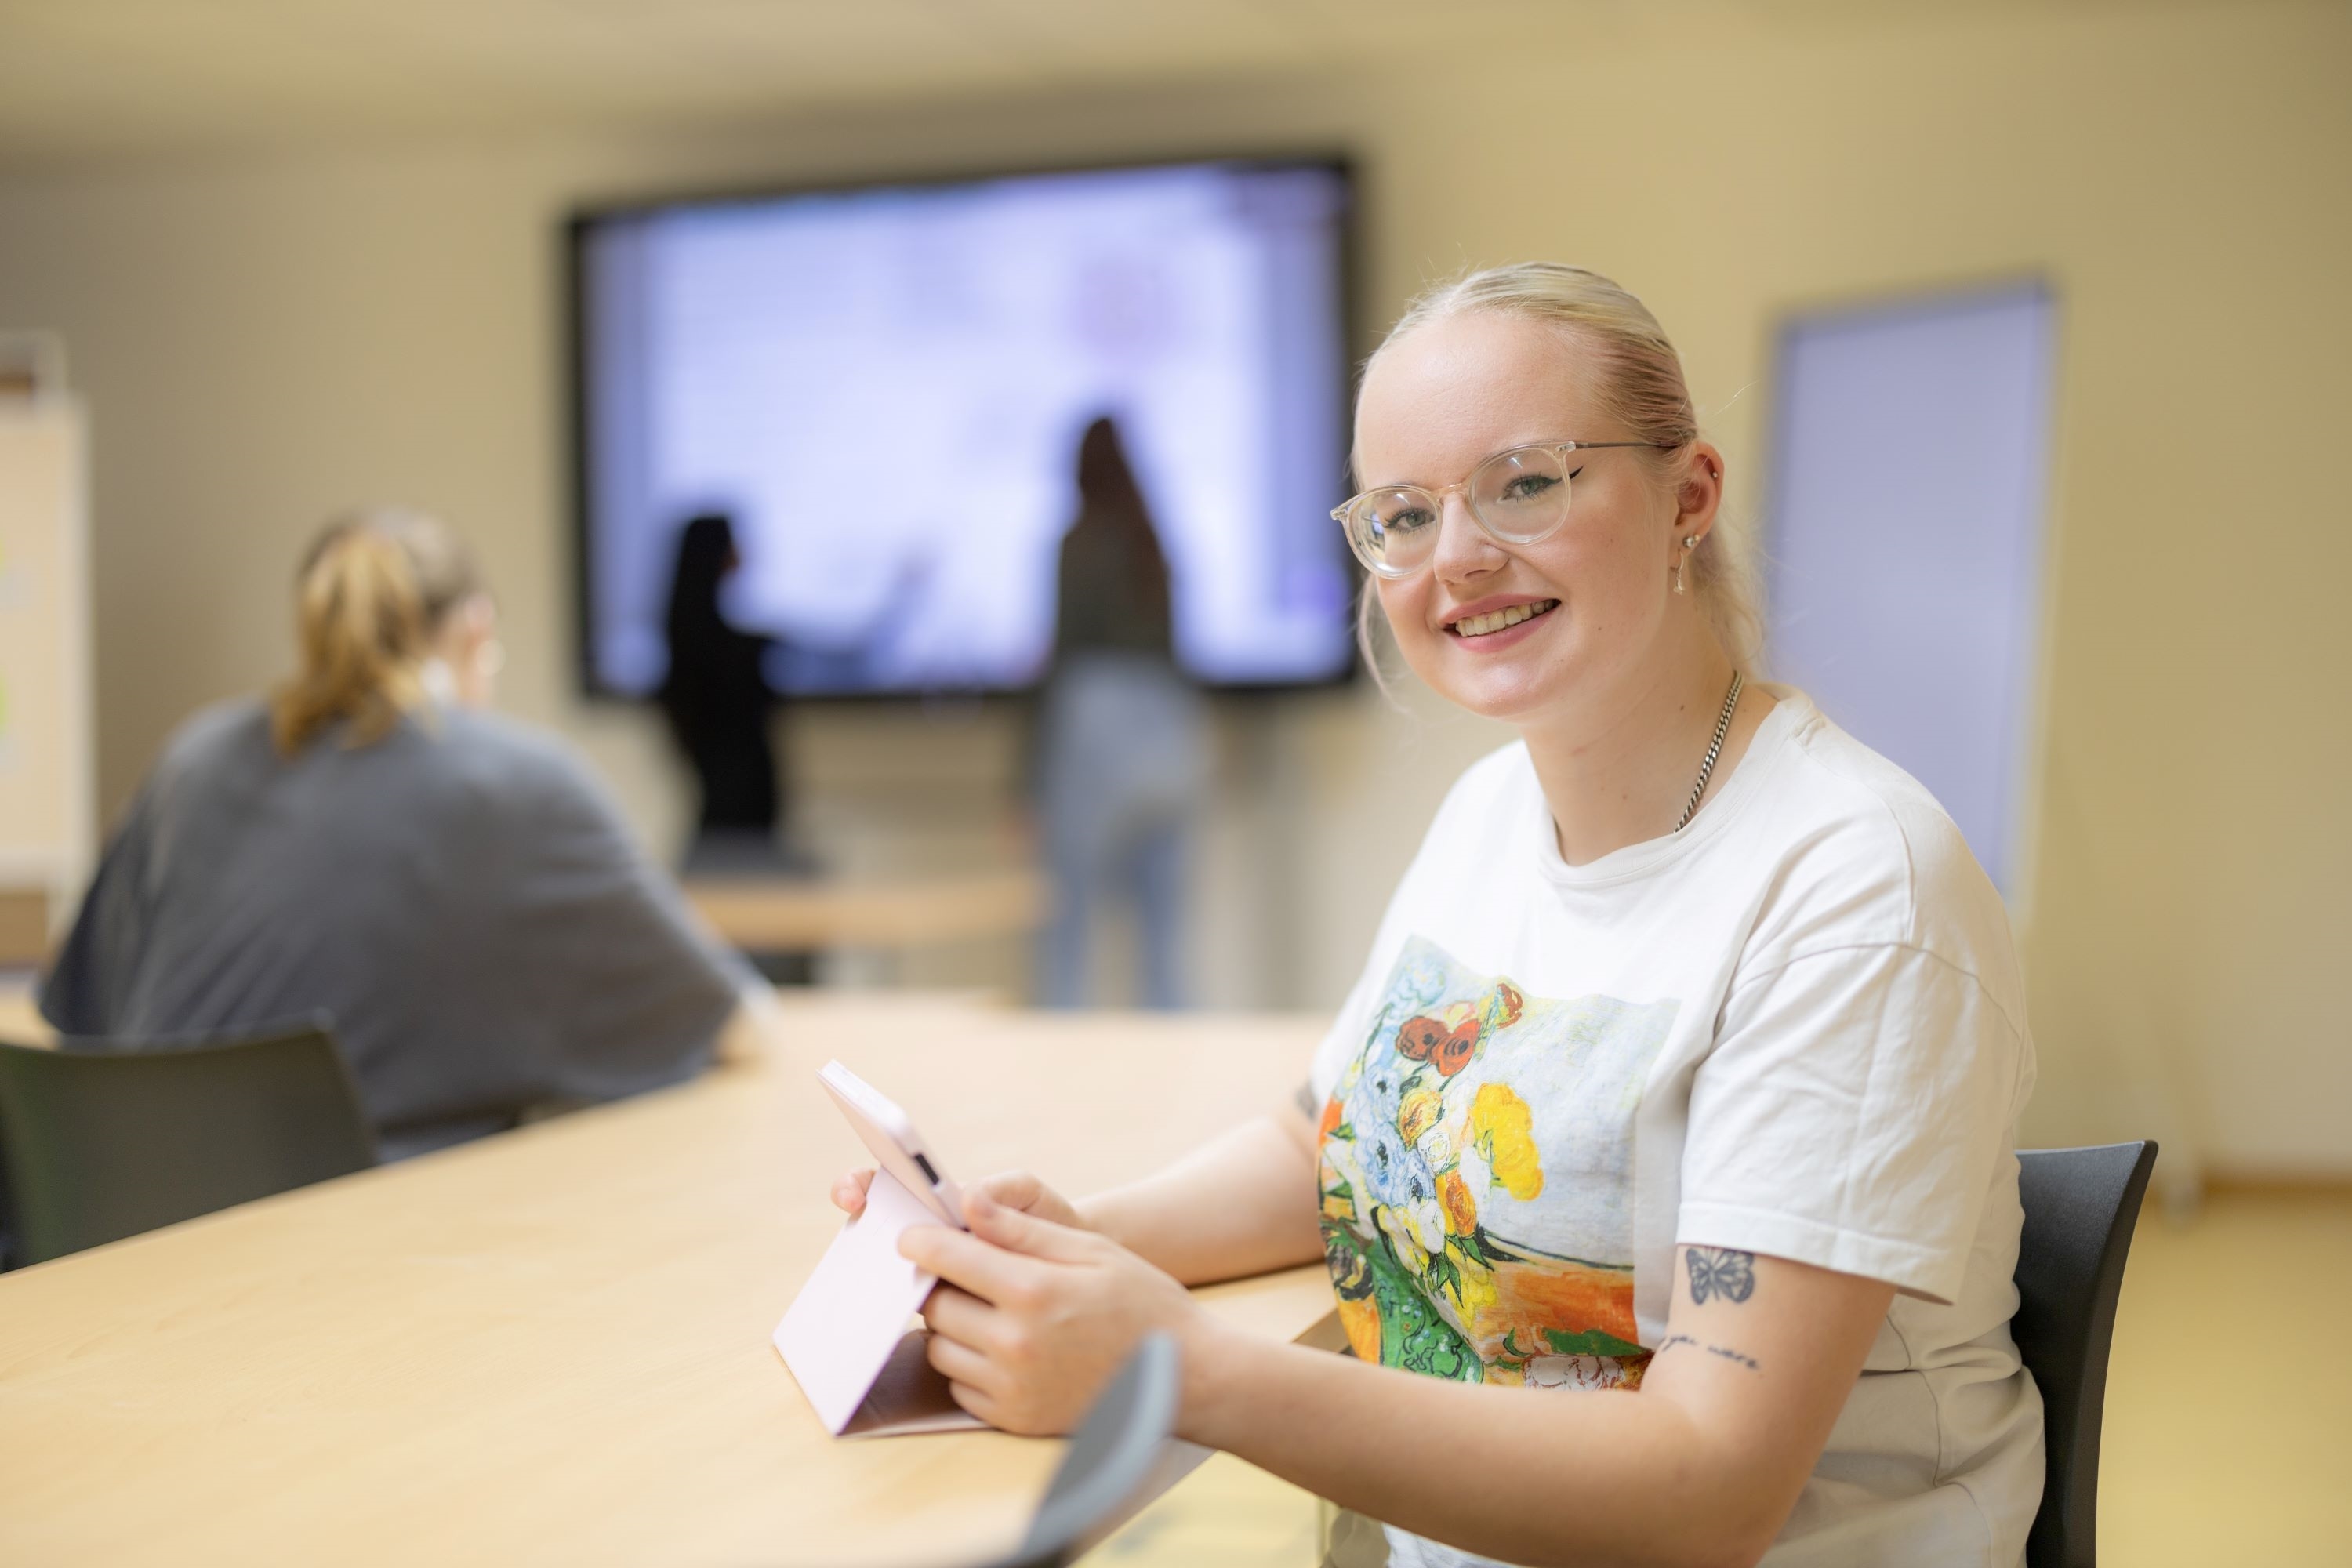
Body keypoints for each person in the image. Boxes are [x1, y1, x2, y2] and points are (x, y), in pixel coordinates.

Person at [834, 266, 2042, 1566]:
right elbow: (1327, 1149)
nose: (1458, 558)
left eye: (1526, 481)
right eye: (1404, 514)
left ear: (1688, 495)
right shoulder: (1488, 814)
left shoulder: (1853, 886)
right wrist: (1063, 1246)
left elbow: (1712, 1488)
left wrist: (1179, 1369)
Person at [42, 508, 768, 1160]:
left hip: (118, 1246)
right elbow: (732, 1030)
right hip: (347, 1270)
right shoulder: (514, 783)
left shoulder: (192, 757)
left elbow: (81, 1018)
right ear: (478, 630)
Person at [1032, 416, 1210, 1008]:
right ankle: (1179, 1077)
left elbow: (1056, 659)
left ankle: (1057, 1065)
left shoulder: (1076, 543)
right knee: (1165, 938)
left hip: (1094, 721)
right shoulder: (1152, 544)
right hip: (1169, 726)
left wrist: (1023, 783)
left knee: (1067, 925)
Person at [657, 512, 791, 869]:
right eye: (735, 543)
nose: (743, 553)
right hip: (736, 832)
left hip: (731, 828)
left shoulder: (683, 645)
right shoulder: (730, 653)